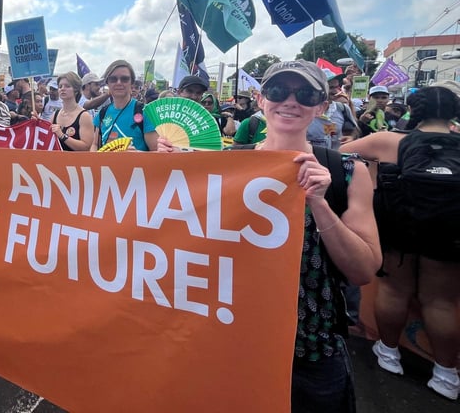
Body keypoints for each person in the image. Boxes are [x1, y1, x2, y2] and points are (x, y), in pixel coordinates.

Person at [162, 60, 381, 412]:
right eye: (279, 91)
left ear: (322, 106)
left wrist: (320, 205)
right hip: (231, 341)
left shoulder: (346, 172)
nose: (291, 101)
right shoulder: (225, 165)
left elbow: (364, 270)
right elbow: (172, 231)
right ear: (262, 100)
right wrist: (162, 171)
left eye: (306, 93)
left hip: (310, 348)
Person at [340, 86, 460, 400]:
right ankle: (447, 375)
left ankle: (389, 354)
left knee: (394, 289)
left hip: (398, 227)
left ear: (413, 111)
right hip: (451, 231)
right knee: (442, 301)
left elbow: (339, 152)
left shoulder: (389, 140)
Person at [90, 60, 157, 152]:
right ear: (107, 83)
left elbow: (156, 152)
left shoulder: (145, 112)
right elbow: (95, 144)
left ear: (132, 83)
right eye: (113, 79)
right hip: (106, 166)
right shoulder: (102, 113)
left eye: (124, 79)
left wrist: (136, 155)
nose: (118, 82)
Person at [50, 72, 94, 151]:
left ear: (76, 90)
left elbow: (86, 147)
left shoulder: (84, 116)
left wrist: (62, 136)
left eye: (67, 86)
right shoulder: (55, 114)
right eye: (60, 86)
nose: (62, 89)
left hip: (77, 162)